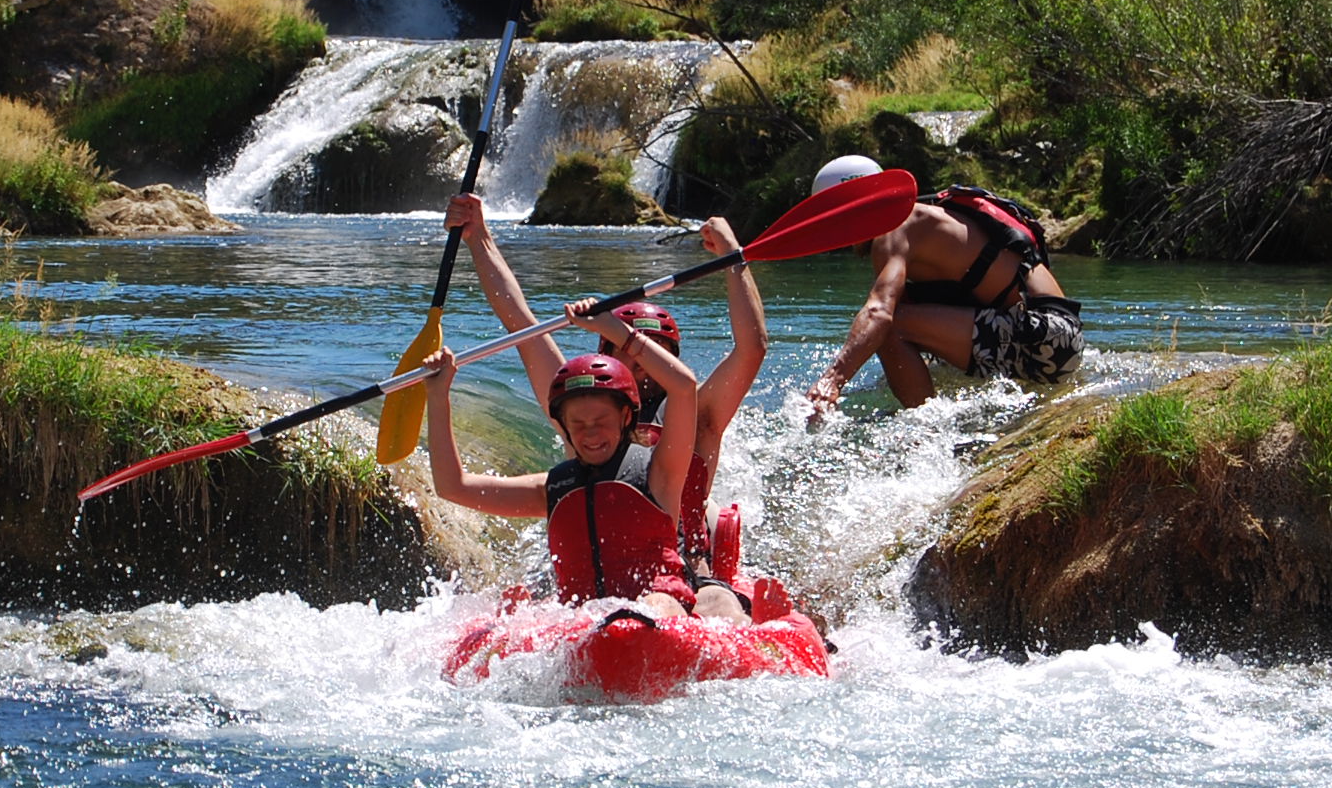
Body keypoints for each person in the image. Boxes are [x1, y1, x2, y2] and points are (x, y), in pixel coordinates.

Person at [441, 192, 777, 616]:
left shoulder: (697, 414)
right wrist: (479, 238)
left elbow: (753, 348)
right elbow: (522, 324)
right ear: (607, 354)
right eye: (628, 351)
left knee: (716, 606)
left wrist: (733, 258)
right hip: (596, 574)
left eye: (651, 352)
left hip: (682, 574)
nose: (640, 365)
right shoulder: (583, 407)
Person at [421, 304, 745, 620]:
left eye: (601, 420)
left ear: (625, 416)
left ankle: (636, 624)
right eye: (578, 424)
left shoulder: (660, 472)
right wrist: (438, 396)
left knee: (663, 604)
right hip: (585, 623)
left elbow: (683, 386)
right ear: (563, 427)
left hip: (657, 608)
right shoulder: (555, 487)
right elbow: (453, 487)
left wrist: (615, 330)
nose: (591, 433)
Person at [804, 153, 1084, 416]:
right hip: (1059, 339)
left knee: (890, 328)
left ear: (854, 207)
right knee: (907, 310)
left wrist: (832, 380)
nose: (836, 232)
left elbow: (879, 314)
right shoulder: (920, 218)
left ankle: (927, 426)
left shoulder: (893, 229)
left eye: (834, 217)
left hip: (1047, 339)